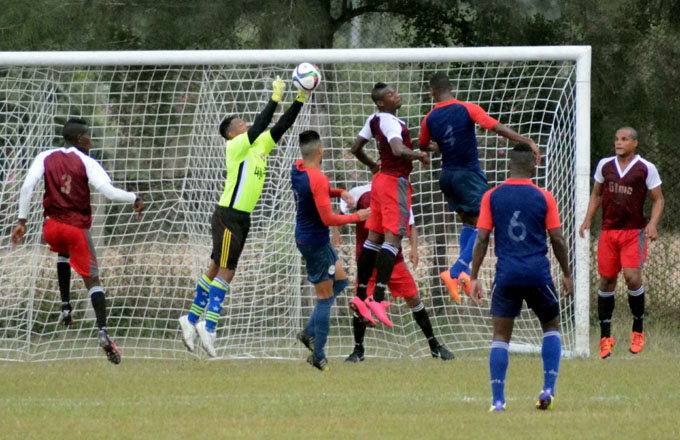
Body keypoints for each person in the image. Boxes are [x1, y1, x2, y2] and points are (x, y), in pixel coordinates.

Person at [178, 77, 310, 357]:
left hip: (241, 217)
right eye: (239, 122)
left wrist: (299, 98)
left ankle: (190, 321)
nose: (245, 123)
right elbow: (262, 124)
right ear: (231, 133)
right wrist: (274, 98)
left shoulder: (259, 145)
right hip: (229, 215)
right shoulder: (235, 146)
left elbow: (280, 126)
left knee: (215, 268)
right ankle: (208, 327)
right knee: (227, 271)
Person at [11, 118, 144, 365]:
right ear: (81, 139)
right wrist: (134, 197)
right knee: (93, 279)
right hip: (75, 228)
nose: (91, 141)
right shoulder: (88, 162)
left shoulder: (44, 156)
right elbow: (109, 191)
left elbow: (28, 186)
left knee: (63, 253)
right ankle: (103, 331)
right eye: (89, 136)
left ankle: (65, 307)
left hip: (50, 227)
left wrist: (22, 220)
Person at [468, 143, 572, 412]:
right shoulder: (544, 196)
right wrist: (567, 273)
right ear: (534, 165)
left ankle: (498, 401)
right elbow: (558, 239)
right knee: (551, 326)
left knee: (501, 336)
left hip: (507, 275)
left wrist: (474, 276)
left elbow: (481, 238)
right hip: (538, 273)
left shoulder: (491, 196)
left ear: (509, 165)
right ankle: (548, 389)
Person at [419, 72, 540, 302]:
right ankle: (454, 273)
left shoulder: (429, 118)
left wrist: (439, 147)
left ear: (432, 92)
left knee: (469, 223)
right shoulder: (468, 109)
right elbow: (498, 128)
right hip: (468, 175)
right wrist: (527, 141)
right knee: (486, 224)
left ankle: (463, 273)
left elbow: (424, 144)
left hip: (447, 177)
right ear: (451, 87)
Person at [335, 183, 454, 362]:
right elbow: (339, 212)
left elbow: (411, 223)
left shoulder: (398, 193)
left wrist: (413, 248)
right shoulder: (359, 192)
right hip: (368, 262)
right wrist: (336, 232)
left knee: (414, 299)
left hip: (394, 261)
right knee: (360, 304)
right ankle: (358, 350)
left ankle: (434, 345)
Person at [578, 127, 663, 359]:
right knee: (606, 281)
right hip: (608, 232)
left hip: (633, 232)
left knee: (632, 277)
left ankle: (638, 330)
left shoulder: (646, 168)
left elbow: (658, 199)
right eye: (616, 139)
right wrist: (587, 219)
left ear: (634, 143)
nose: (618, 142)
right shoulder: (605, 165)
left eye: (624, 139)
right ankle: (605, 337)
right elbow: (596, 194)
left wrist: (653, 224)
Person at [350, 82, 429, 327]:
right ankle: (378, 297)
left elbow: (356, 149)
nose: (396, 95)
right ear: (382, 102)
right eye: (390, 94)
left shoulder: (373, 119)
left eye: (395, 91)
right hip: (395, 183)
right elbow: (397, 149)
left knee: (374, 238)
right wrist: (419, 155)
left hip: (381, 181)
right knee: (393, 239)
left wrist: (373, 166)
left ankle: (362, 296)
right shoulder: (390, 121)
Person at [291, 130, 370, 371]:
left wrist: (339, 192)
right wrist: (358, 216)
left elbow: (316, 194)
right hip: (315, 242)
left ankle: (308, 333)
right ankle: (319, 354)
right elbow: (327, 218)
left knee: (340, 282)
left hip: (312, 239)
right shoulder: (318, 178)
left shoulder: (298, 168)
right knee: (325, 298)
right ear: (321, 150)